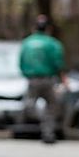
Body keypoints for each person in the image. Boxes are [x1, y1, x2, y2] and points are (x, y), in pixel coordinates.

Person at [19, 15, 67, 144]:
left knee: (29, 104)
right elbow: (59, 63)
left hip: (32, 80)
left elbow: (21, 63)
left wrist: (26, 74)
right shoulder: (53, 44)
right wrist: (62, 79)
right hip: (48, 79)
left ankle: (38, 121)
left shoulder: (26, 43)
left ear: (34, 28)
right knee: (51, 107)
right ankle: (48, 132)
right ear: (48, 28)